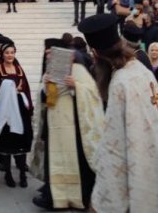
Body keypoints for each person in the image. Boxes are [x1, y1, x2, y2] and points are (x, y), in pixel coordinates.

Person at [77, 14, 158, 212]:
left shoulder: (120, 82)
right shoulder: (141, 71)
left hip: (140, 165)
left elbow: (114, 146)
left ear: (95, 54)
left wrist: (103, 200)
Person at [30, 40, 104, 211]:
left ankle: (80, 198)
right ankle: (54, 198)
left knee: (78, 164)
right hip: (54, 126)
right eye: (46, 53)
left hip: (75, 128)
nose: (48, 56)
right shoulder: (50, 71)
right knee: (53, 162)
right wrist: (45, 87)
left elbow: (92, 95)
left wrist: (75, 86)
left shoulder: (79, 70)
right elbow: (47, 99)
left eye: (51, 53)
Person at [0, 41, 33, 189]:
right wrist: (9, 87)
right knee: (7, 143)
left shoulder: (19, 69)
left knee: (20, 142)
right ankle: (8, 174)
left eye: (12, 52)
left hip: (19, 109)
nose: (10, 55)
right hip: (4, 110)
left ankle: (22, 174)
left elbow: (26, 89)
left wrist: (29, 106)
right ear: (2, 54)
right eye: (7, 53)